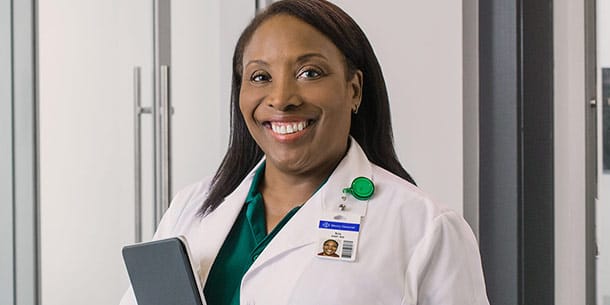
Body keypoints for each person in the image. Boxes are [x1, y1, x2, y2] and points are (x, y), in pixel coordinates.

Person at [120, 0, 490, 304]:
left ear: (355, 89)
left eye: (309, 73)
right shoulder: (191, 208)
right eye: (260, 77)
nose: (281, 99)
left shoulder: (425, 229)